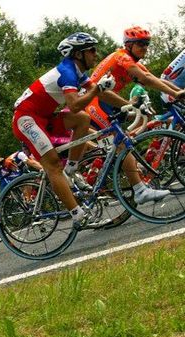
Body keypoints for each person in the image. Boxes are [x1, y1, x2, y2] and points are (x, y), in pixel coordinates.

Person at [12, 32, 116, 229]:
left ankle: (71, 169)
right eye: (91, 50)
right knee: (52, 165)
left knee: (82, 120)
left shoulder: (77, 73)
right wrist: (96, 90)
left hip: (44, 117)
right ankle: (78, 215)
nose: (96, 53)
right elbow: (75, 104)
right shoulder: (67, 72)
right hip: (26, 119)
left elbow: (103, 94)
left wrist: (130, 105)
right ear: (78, 55)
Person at [85, 26, 185, 204]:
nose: (145, 48)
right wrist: (176, 94)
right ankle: (139, 190)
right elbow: (146, 79)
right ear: (129, 45)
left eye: (147, 44)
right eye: (141, 44)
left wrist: (179, 92)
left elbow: (154, 78)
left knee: (122, 144)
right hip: (94, 104)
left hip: (107, 102)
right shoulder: (122, 56)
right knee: (122, 143)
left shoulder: (132, 60)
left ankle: (122, 176)